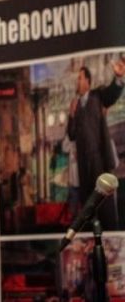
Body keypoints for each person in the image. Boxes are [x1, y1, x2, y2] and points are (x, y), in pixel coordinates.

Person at [66, 58, 125, 230]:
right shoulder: (76, 106)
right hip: (84, 167)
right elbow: (71, 135)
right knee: (89, 209)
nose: (77, 82)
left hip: (100, 161)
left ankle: (112, 236)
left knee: (105, 204)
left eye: (79, 78)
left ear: (87, 81)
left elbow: (111, 95)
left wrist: (118, 78)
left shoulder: (97, 96)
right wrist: (71, 116)